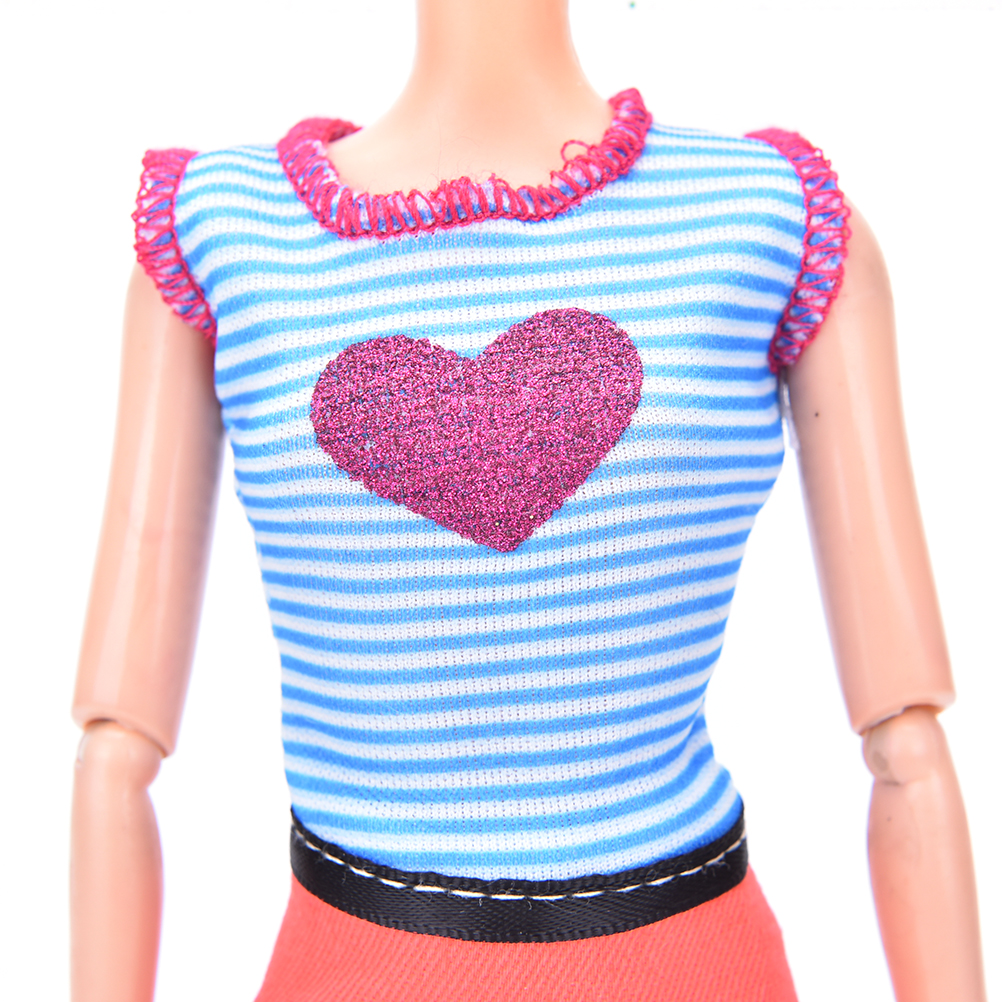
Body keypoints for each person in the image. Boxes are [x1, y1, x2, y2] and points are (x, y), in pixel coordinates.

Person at [70, 1, 986, 999]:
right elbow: (117, 747)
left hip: (680, 959)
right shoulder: (225, 233)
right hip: (362, 961)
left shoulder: (765, 219)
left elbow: (906, 736)